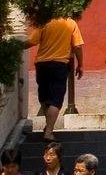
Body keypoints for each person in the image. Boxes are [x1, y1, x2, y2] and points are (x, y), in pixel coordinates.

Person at [26, 11, 84, 144]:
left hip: (42, 64)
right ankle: (49, 131)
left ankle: (48, 126)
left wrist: (13, 46)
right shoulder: (71, 23)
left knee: (44, 98)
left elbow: (31, 41)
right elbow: (77, 46)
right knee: (55, 100)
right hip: (59, 65)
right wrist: (80, 65)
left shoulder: (45, 22)